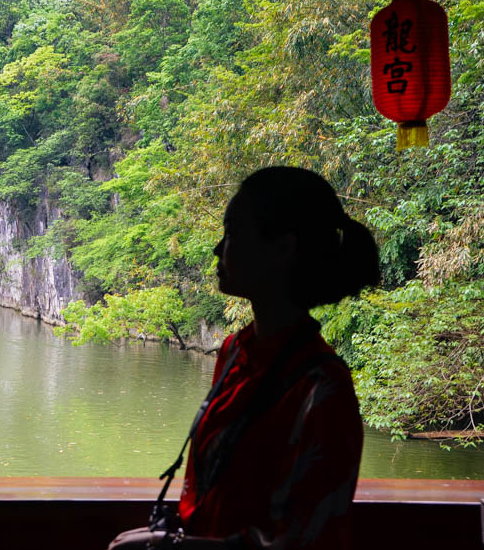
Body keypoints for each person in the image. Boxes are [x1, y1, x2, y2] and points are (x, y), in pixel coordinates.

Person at [110, 167, 379, 550]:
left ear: (283, 249)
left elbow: (307, 542)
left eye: (233, 233)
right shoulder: (235, 351)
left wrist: (172, 548)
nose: (219, 249)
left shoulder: (321, 390)